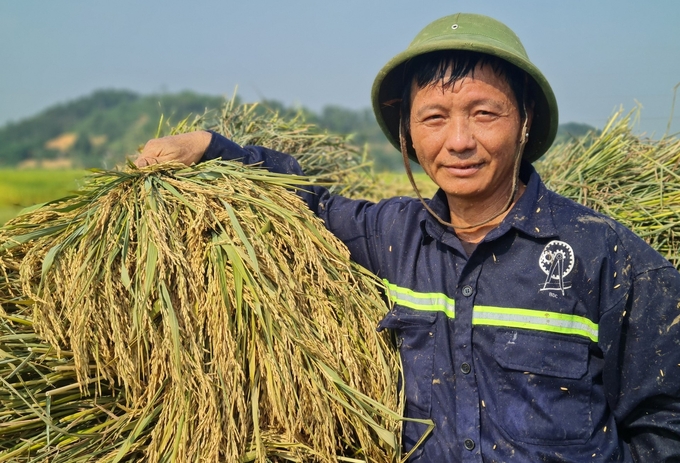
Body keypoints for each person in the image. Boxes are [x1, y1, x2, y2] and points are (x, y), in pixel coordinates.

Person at [136, 13, 680, 462]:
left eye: (484, 114)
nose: (459, 141)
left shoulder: (607, 257)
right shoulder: (392, 234)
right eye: (435, 118)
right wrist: (209, 145)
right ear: (409, 135)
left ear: (525, 120)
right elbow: (304, 202)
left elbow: (666, 423)